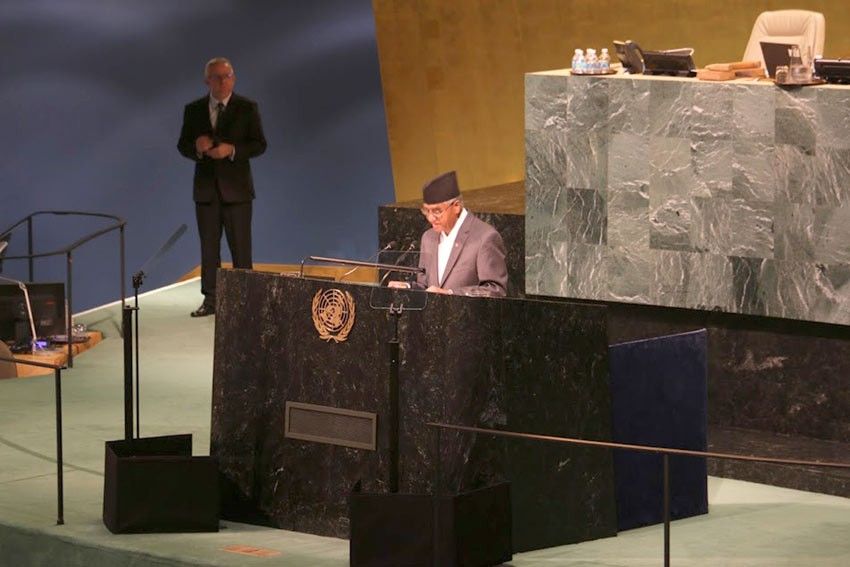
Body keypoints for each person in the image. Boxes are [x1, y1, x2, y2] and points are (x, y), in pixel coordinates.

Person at [177, 57, 267, 317]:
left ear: (233, 79)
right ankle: (211, 300)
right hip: (206, 192)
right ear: (207, 81)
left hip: (237, 191)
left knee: (241, 248)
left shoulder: (247, 108)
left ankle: (245, 302)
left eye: (227, 76)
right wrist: (197, 148)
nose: (223, 81)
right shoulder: (193, 110)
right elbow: (182, 145)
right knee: (208, 250)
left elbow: (259, 144)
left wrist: (233, 150)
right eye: (217, 77)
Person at [389, 171, 508, 297]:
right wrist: (408, 287)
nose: (430, 218)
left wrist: (450, 294)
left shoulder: (485, 237)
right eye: (426, 211)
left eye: (437, 211)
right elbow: (426, 287)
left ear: (456, 206)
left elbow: (496, 290)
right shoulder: (428, 238)